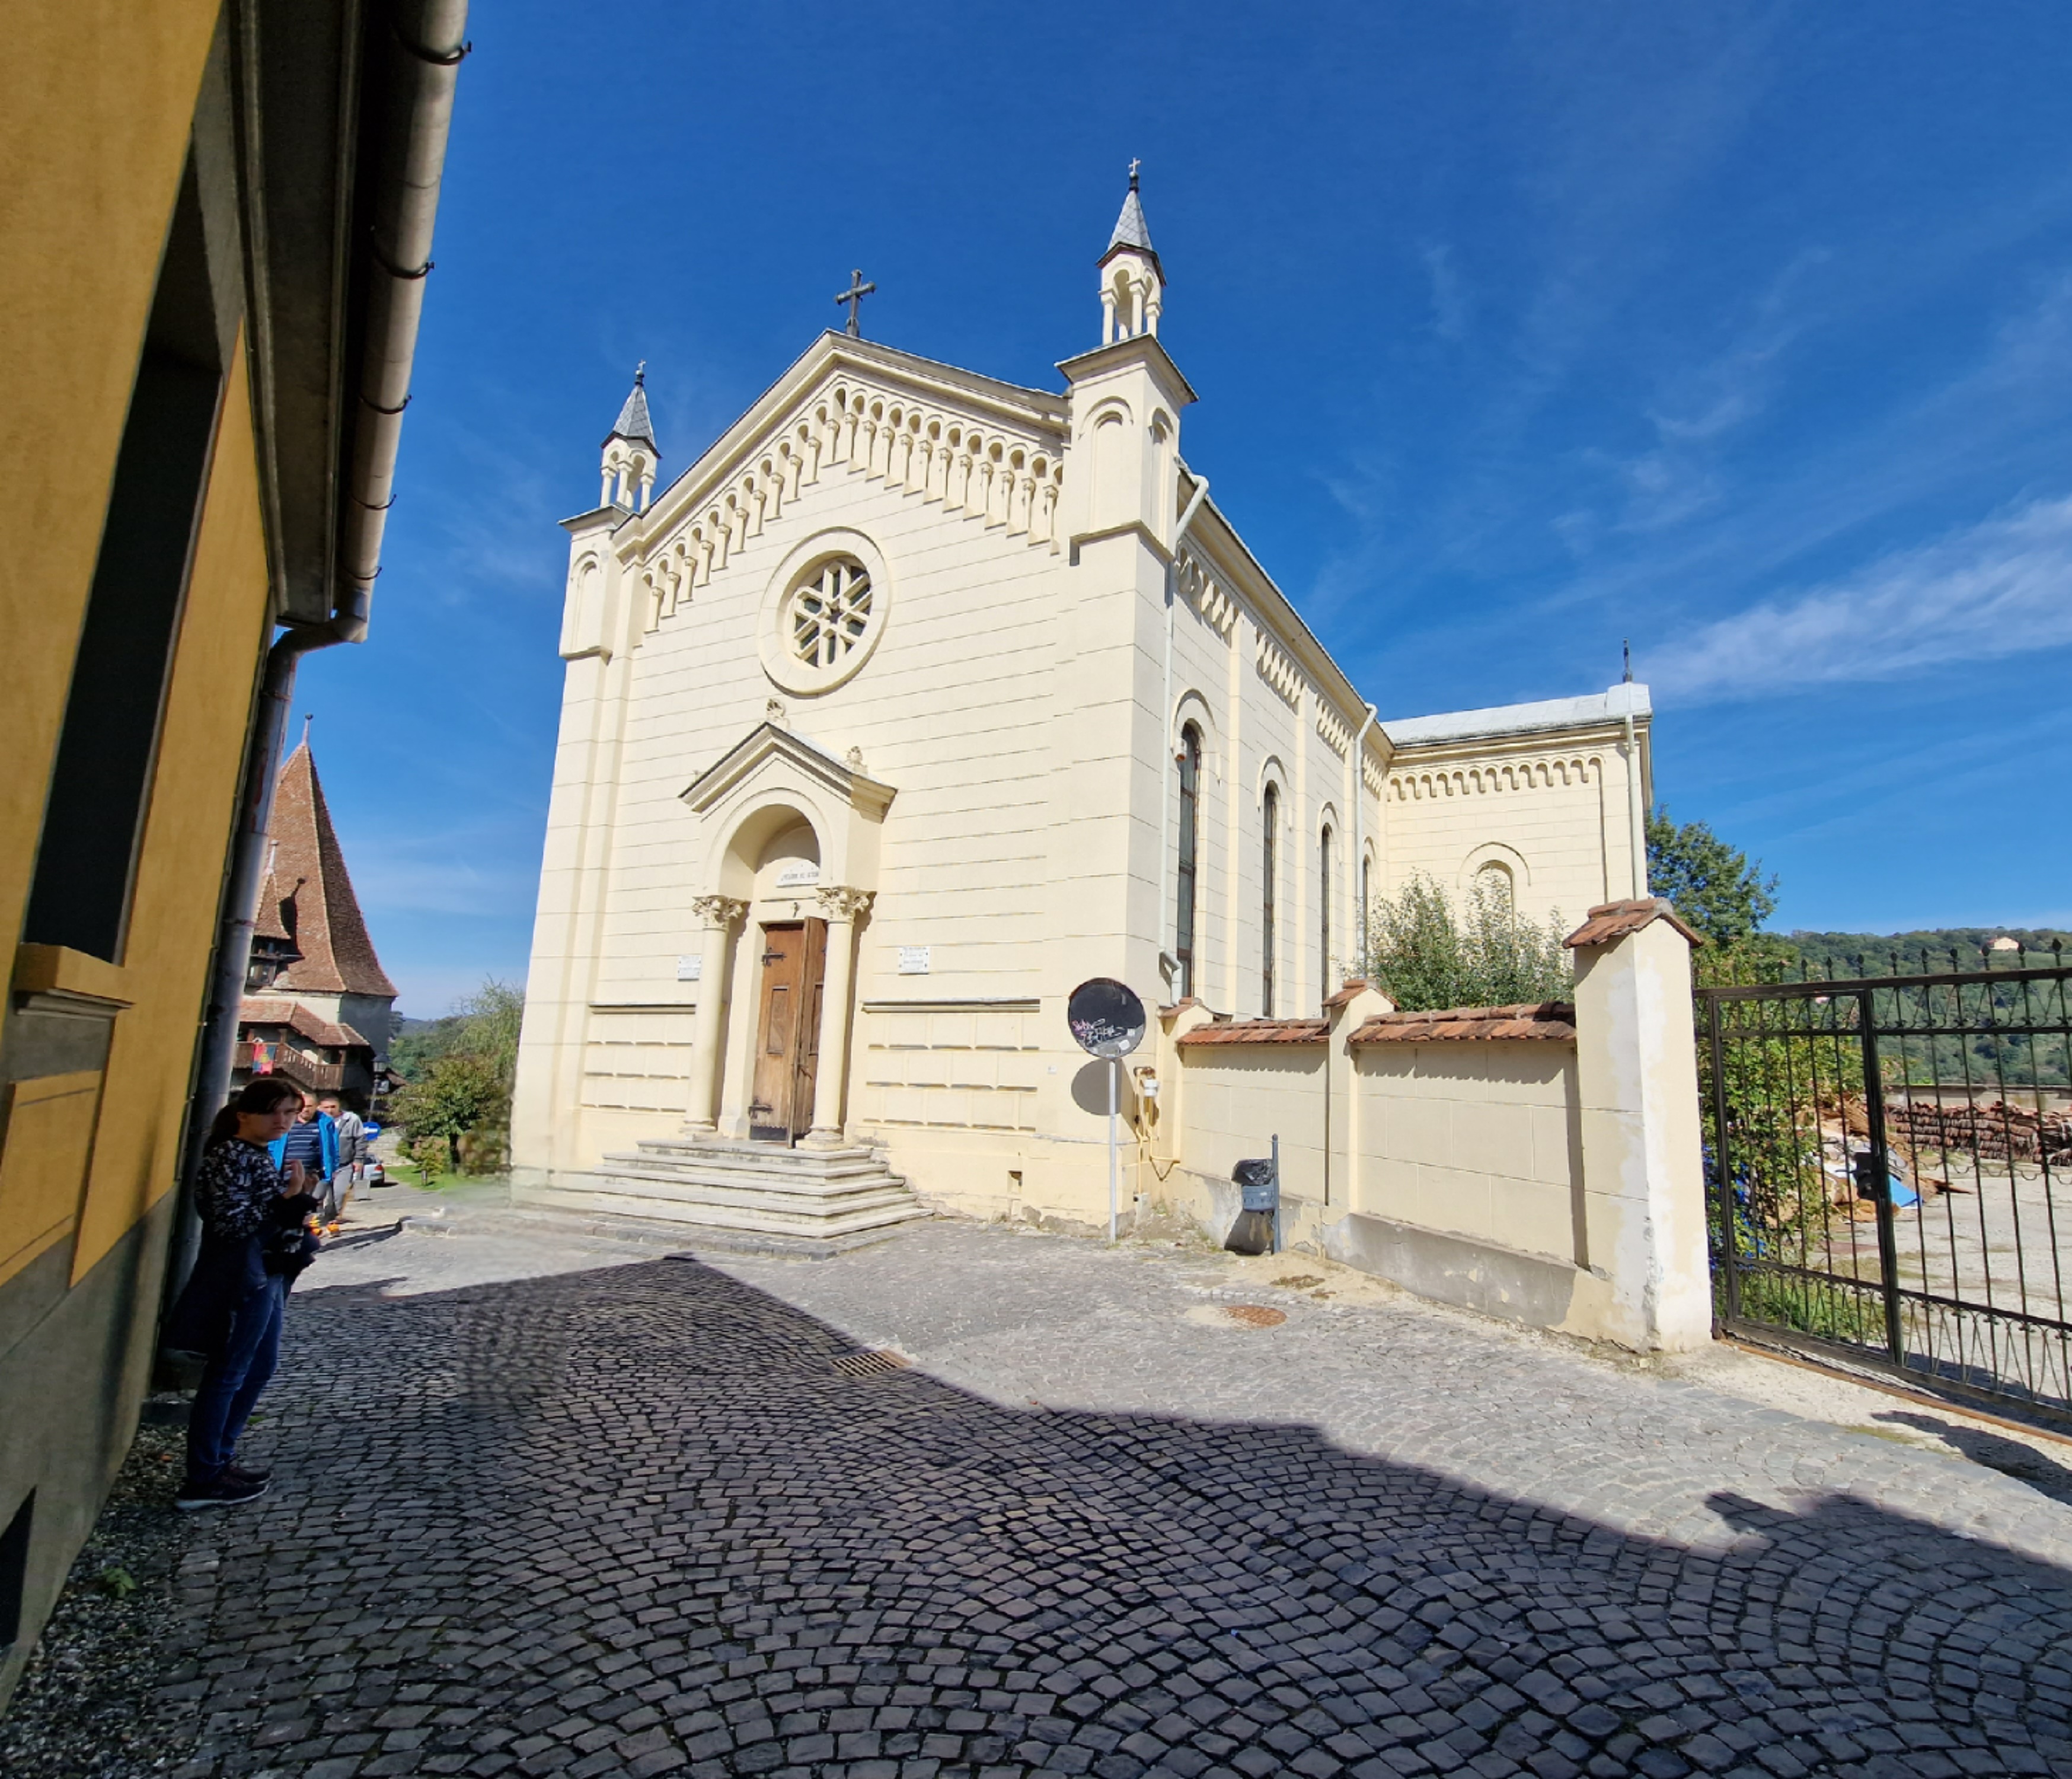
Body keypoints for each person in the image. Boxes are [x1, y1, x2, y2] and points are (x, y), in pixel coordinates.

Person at [167, 1079, 321, 1509]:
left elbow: (266, 1216)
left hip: (267, 1272)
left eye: (290, 1113)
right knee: (228, 1373)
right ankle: (204, 1477)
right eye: (273, 1111)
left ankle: (221, 1458)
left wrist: (294, 1201)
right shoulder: (229, 1156)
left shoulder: (257, 1153)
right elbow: (232, 1225)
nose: (283, 1121)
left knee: (260, 1367)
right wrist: (289, 1201)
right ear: (244, 1115)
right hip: (243, 1277)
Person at [272, 1092, 339, 1225]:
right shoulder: (286, 1121)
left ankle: (305, 1228)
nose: (306, 1109)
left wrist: (332, 1168)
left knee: (309, 1204)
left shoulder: (324, 1122)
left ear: (316, 1107)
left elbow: (333, 1147)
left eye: (309, 1106)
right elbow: (273, 1145)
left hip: (312, 1173)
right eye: (302, 1106)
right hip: (285, 1171)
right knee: (287, 1203)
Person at [317, 1092, 365, 1219]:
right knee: (318, 1195)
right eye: (326, 1107)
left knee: (340, 1192)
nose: (330, 1110)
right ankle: (319, 1218)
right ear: (320, 1107)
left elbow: (360, 1141)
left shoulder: (352, 1119)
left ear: (339, 1106)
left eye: (333, 1107)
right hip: (321, 1165)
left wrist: (359, 1160)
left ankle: (335, 1216)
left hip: (344, 1164)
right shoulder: (317, 1121)